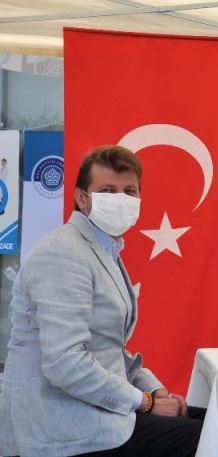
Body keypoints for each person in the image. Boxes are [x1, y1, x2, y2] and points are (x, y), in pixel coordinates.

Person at [0, 145, 204, 457]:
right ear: (82, 199)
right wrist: (146, 402)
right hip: (61, 424)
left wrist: (155, 389)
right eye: (108, 191)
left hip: (96, 409)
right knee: (208, 437)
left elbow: (109, 350)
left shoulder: (104, 250)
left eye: (129, 191)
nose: (120, 199)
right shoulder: (63, 252)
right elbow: (66, 364)